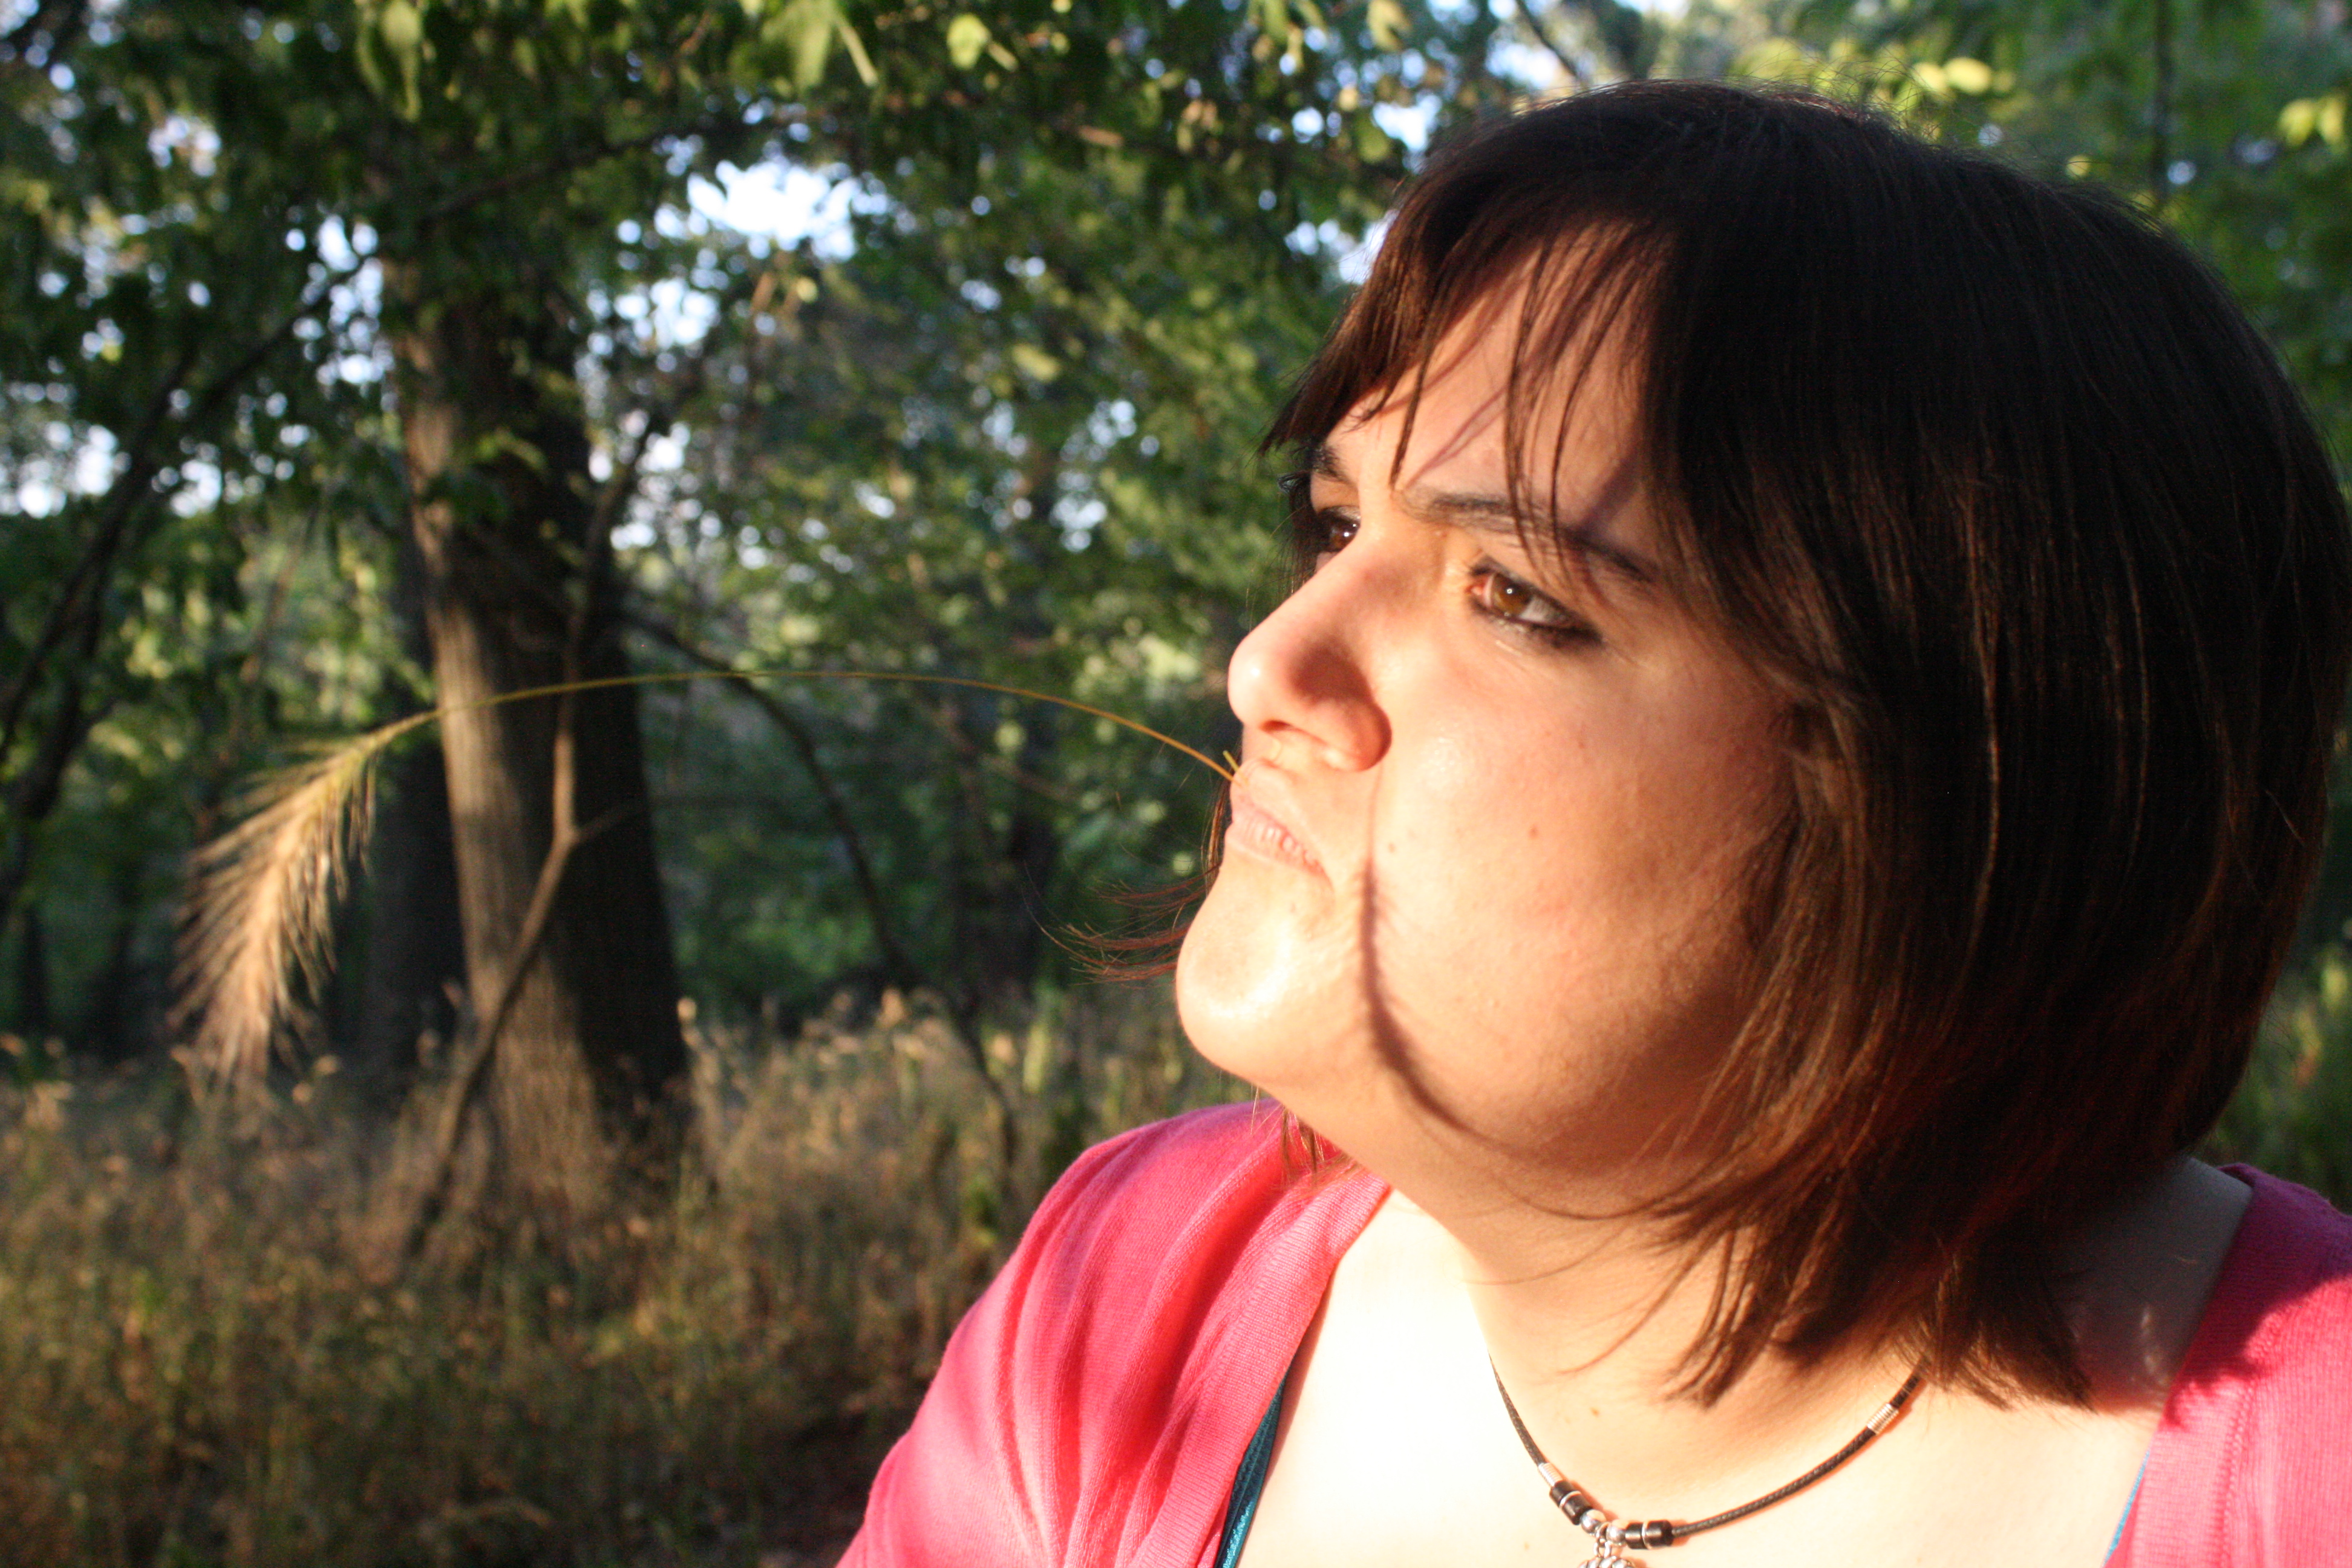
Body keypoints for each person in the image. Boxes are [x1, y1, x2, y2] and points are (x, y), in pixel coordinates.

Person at [840, 82, 2352, 1568]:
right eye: (1341, 524)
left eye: (1512, 593)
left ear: (1966, 807)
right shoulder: (1128, 1294)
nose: (1267, 666)